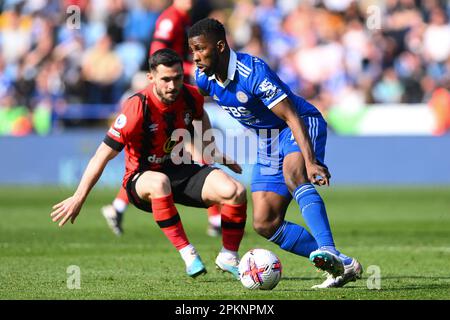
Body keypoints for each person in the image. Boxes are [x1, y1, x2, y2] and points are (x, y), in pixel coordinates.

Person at [188, 18, 363, 288]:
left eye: (200, 49)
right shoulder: (204, 79)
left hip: (299, 123)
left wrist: (310, 161)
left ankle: (327, 248)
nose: (196, 57)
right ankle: (342, 264)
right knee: (265, 222)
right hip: (267, 140)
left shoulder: (252, 73)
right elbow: (197, 112)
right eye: (192, 51)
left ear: (220, 46)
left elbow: (292, 115)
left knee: (294, 174)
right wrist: (211, 148)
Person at [51, 49, 247, 279]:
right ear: (151, 78)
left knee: (236, 191)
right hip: (141, 178)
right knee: (159, 182)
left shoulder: (191, 95)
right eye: (166, 79)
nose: (172, 85)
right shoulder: (136, 108)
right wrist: (78, 197)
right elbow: (101, 155)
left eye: (177, 78)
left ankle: (229, 256)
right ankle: (188, 254)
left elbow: (200, 115)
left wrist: (212, 150)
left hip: (179, 169)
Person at [102, 0, 222, 237]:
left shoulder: (185, 19)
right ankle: (216, 219)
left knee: (176, 154)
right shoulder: (171, 19)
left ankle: (117, 207)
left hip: (176, 86)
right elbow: (159, 55)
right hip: (166, 88)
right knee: (188, 152)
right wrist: (185, 71)